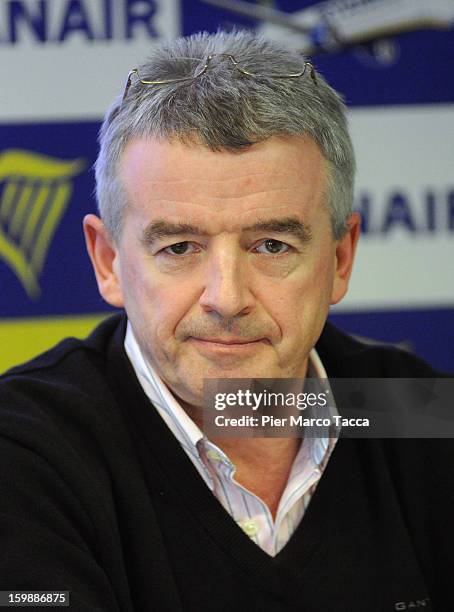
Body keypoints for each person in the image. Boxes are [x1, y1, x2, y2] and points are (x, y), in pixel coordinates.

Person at [0, 30, 451, 612]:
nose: (227, 298)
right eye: (180, 247)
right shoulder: (25, 451)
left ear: (340, 259)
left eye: (270, 245)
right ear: (108, 262)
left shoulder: (413, 413)